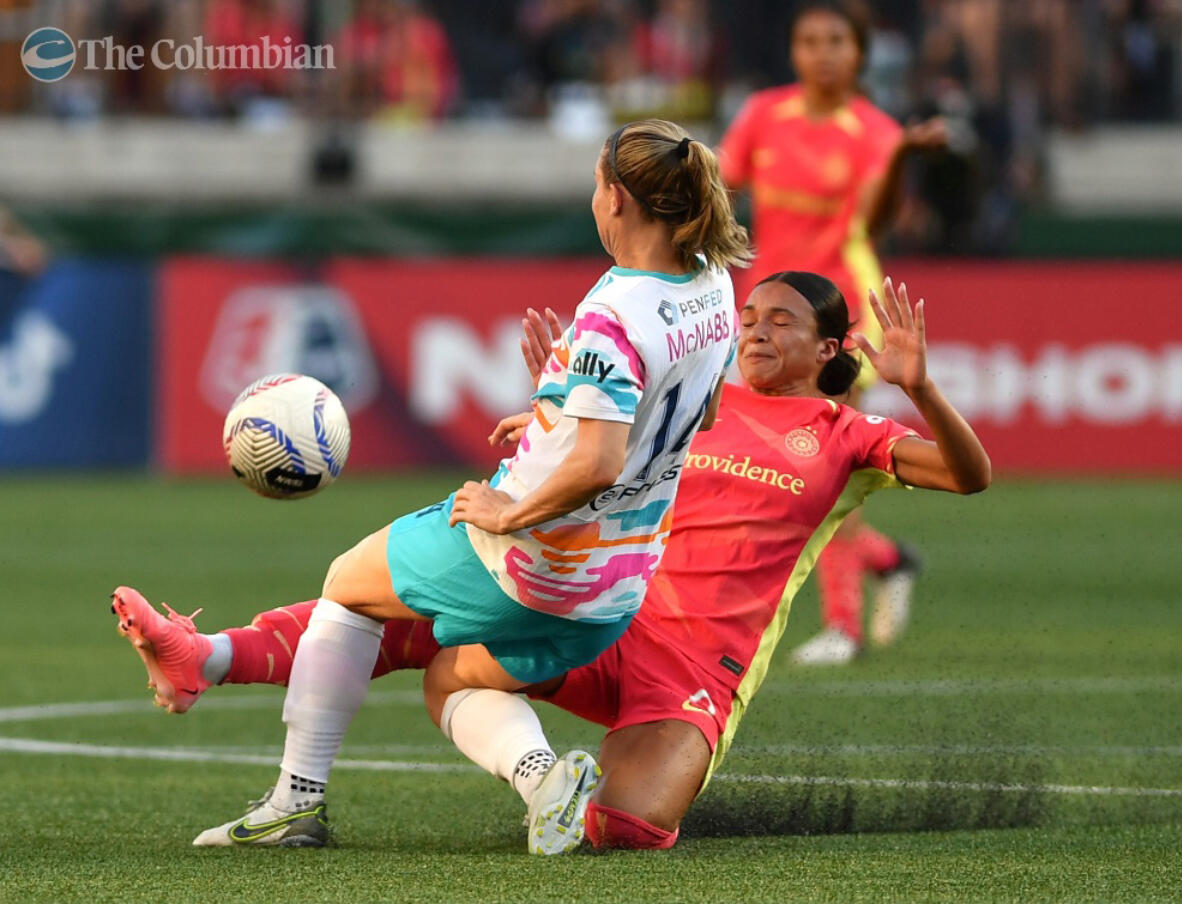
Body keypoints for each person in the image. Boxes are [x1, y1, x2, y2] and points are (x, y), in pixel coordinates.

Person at [113, 274, 990, 851]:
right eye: (749, 316)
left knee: (627, 831)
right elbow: (594, 454)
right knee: (429, 641)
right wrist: (551, 413)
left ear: (830, 351)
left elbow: (967, 476)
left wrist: (919, 386)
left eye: (780, 322)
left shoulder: (844, 438)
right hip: (611, 615)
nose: (755, 331)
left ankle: (560, 792)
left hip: (694, 670)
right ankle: (209, 656)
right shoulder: (690, 405)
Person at [113, 118, 749, 854]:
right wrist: (556, 413)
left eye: (595, 186)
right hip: (617, 585)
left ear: (617, 198)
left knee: (348, 584)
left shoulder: (616, 313)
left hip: (535, 559)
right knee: (448, 680)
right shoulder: (712, 284)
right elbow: (695, 414)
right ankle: (546, 783)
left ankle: (294, 803)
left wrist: (513, 511)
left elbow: (601, 463)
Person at [718, 0, 950, 665]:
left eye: (836, 41)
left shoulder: (875, 131)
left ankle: (842, 627)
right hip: (766, 312)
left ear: (859, 54)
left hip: (840, 314)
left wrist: (903, 155)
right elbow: (721, 184)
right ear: (793, 51)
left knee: (822, 472)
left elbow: (874, 222)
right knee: (781, 476)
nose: (822, 52)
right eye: (810, 40)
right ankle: (889, 559)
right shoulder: (764, 114)